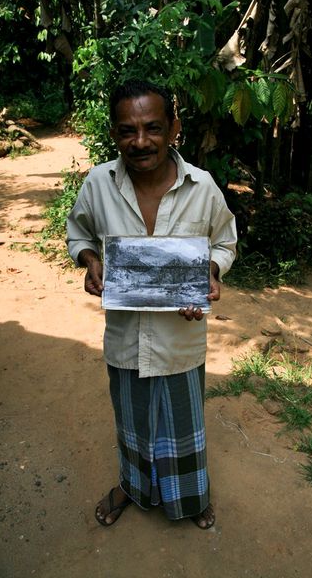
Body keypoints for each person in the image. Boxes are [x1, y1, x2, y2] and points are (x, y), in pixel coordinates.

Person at [66, 79, 237, 529]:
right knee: (132, 420)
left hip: (181, 337)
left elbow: (225, 241)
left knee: (184, 423)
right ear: (114, 132)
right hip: (125, 335)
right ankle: (131, 485)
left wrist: (211, 272)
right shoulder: (99, 184)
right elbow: (79, 232)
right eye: (127, 130)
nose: (140, 142)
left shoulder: (203, 187)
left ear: (174, 128)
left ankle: (191, 496)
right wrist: (89, 260)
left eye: (153, 128)